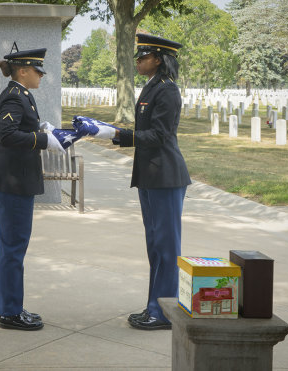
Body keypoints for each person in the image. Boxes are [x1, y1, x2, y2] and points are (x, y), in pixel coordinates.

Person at [97, 34, 191, 330]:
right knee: (155, 245)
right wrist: (110, 130)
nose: (138, 60)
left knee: (165, 247)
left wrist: (116, 135)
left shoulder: (167, 90)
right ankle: (155, 306)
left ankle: (163, 313)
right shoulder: (151, 87)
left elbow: (160, 136)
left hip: (165, 176)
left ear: (159, 60)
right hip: (151, 176)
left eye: (144, 56)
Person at [0, 47, 64, 331]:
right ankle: (9, 312)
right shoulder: (14, 96)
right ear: (22, 71)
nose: (41, 75)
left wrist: (42, 128)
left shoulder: (23, 96)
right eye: (37, 70)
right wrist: (44, 139)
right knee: (14, 247)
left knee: (13, 246)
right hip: (12, 181)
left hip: (16, 180)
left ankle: (9, 306)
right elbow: (7, 135)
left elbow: (21, 128)